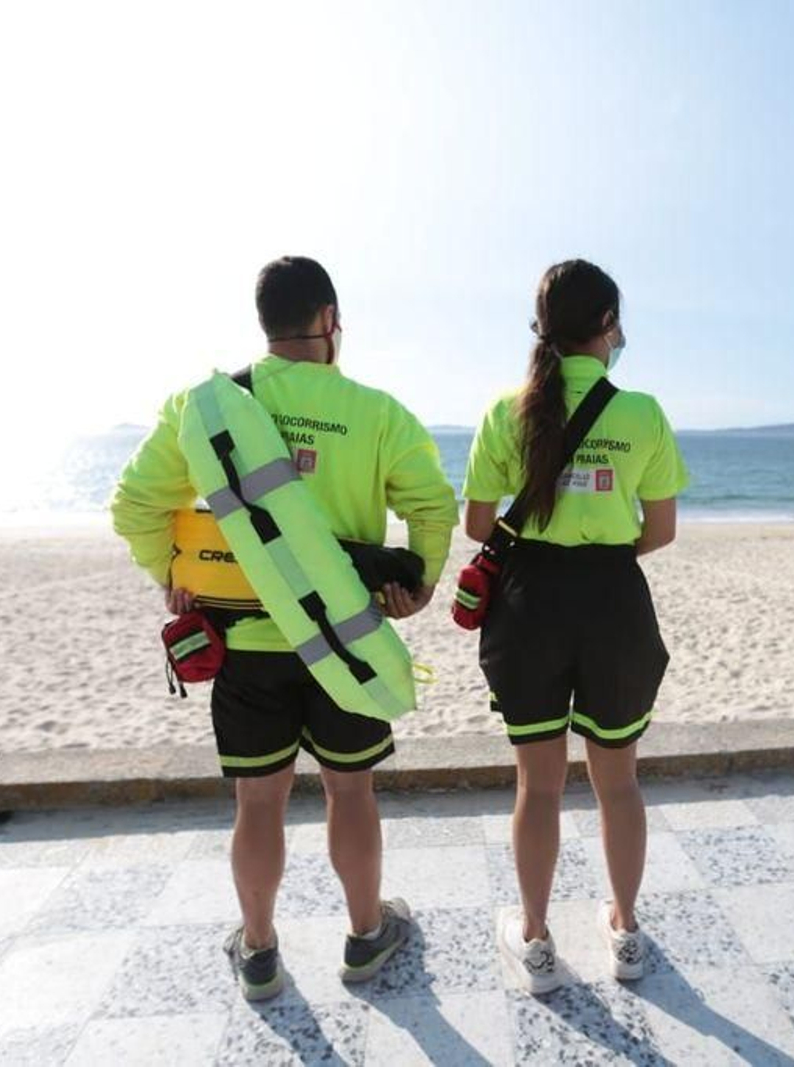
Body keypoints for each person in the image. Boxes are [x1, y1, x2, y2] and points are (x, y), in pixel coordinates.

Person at [110, 256, 456, 1002]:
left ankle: (260, 950)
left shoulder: (206, 407)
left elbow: (133, 504)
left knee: (258, 803)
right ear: (331, 321)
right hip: (346, 645)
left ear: (265, 325)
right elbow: (434, 506)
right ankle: (366, 936)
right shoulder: (379, 411)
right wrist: (418, 583)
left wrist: (171, 572)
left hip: (246, 645)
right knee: (350, 792)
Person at [462, 259, 689, 993]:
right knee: (617, 781)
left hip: (528, 600)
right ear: (607, 324)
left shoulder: (505, 410)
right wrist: (600, 545)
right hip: (613, 597)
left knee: (539, 783)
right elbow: (659, 531)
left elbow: (475, 523)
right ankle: (623, 926)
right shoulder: (642, 412)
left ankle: (534, 937)